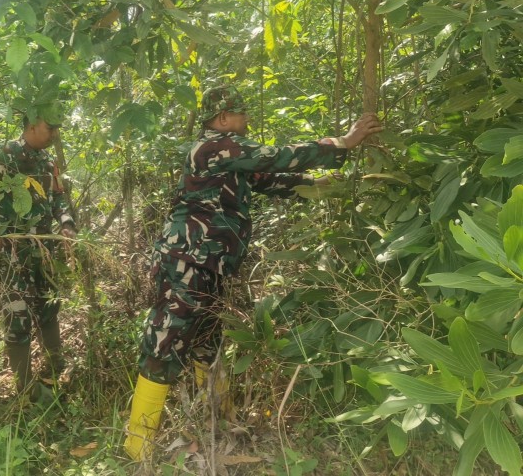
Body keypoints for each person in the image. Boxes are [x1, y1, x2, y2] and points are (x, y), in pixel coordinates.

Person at [123, 85, 383, 460]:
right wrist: (342, 142)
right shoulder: (214, 146)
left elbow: (267, 181)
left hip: (211, 263)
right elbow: (273, 158)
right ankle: (137, 449)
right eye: (241, 113)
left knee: (207, 341)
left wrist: (315, 185)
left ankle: (217, 422)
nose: (247, 119)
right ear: (223, 118)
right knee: (165, 342)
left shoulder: (230, 158)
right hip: (188, 262)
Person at [0, 106, 77, 397]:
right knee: (17, 315)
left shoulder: (47, 161)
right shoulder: (4, 155)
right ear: (32, 125)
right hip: (13, 253)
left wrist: (67, 223)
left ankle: (56, 366)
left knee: (49, 307)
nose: (55, 134)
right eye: (50, 128)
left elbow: (58, 197)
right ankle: (25, 388)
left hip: (44, 250)